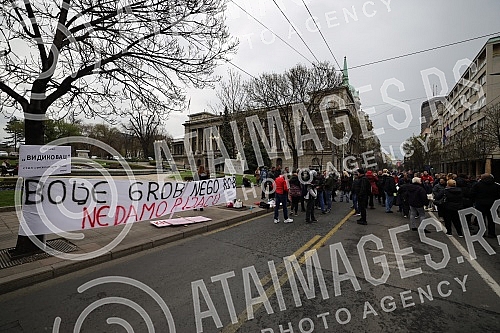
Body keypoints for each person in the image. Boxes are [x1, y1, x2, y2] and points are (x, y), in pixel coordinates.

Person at [471, 173, 500, 238]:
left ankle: (481, 232)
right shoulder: (496, 185)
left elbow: (472, 193)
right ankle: (491, 233)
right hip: (492, 204)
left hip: (480, 203)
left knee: (481, 218)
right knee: (491, 219)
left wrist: (474, 201)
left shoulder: (478, 185)